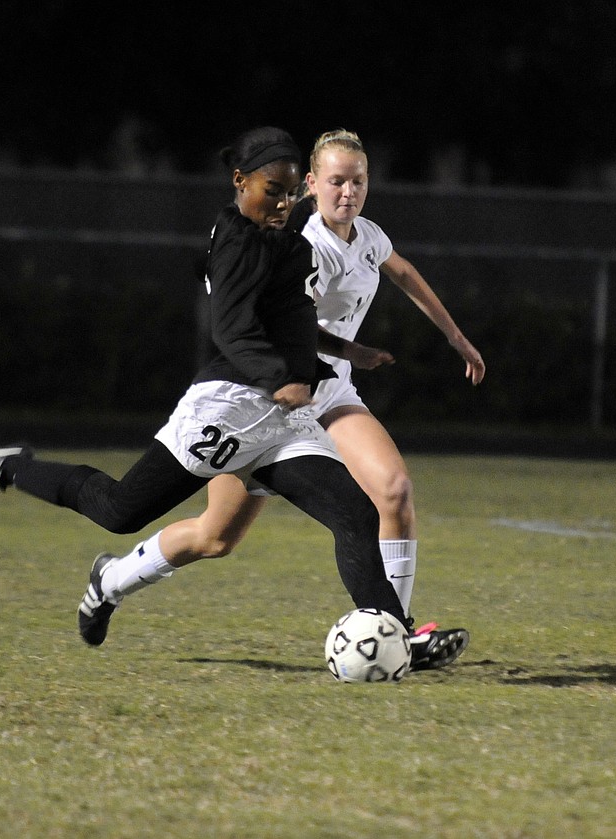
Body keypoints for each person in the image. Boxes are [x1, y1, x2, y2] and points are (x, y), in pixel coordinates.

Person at [0, 126, 410, 653]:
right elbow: (232, 330)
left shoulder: (284, 239)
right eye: (271, 190)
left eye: (288, 192)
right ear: (240, 182)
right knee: (120, 510)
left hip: (280, 422)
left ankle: (394, 639)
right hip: (228, 407)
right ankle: (7, 468)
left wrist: (344, 355)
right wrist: (281, 378)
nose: (283, 202)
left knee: (355, 514)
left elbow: (291, 320)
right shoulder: (238, 240)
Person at [117, 129, 487, 670]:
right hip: (274, 400)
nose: (348, 193)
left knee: (394, 490)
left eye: (358, 182)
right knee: (214, 537)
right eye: (336, 181)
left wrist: (454, 336)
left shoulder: (366, 236)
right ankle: (112, 578)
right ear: (311, 184)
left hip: (329, 391)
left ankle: (394, 636)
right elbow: (276, 326)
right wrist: (335, 355)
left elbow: (401, 270)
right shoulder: (300, 245)